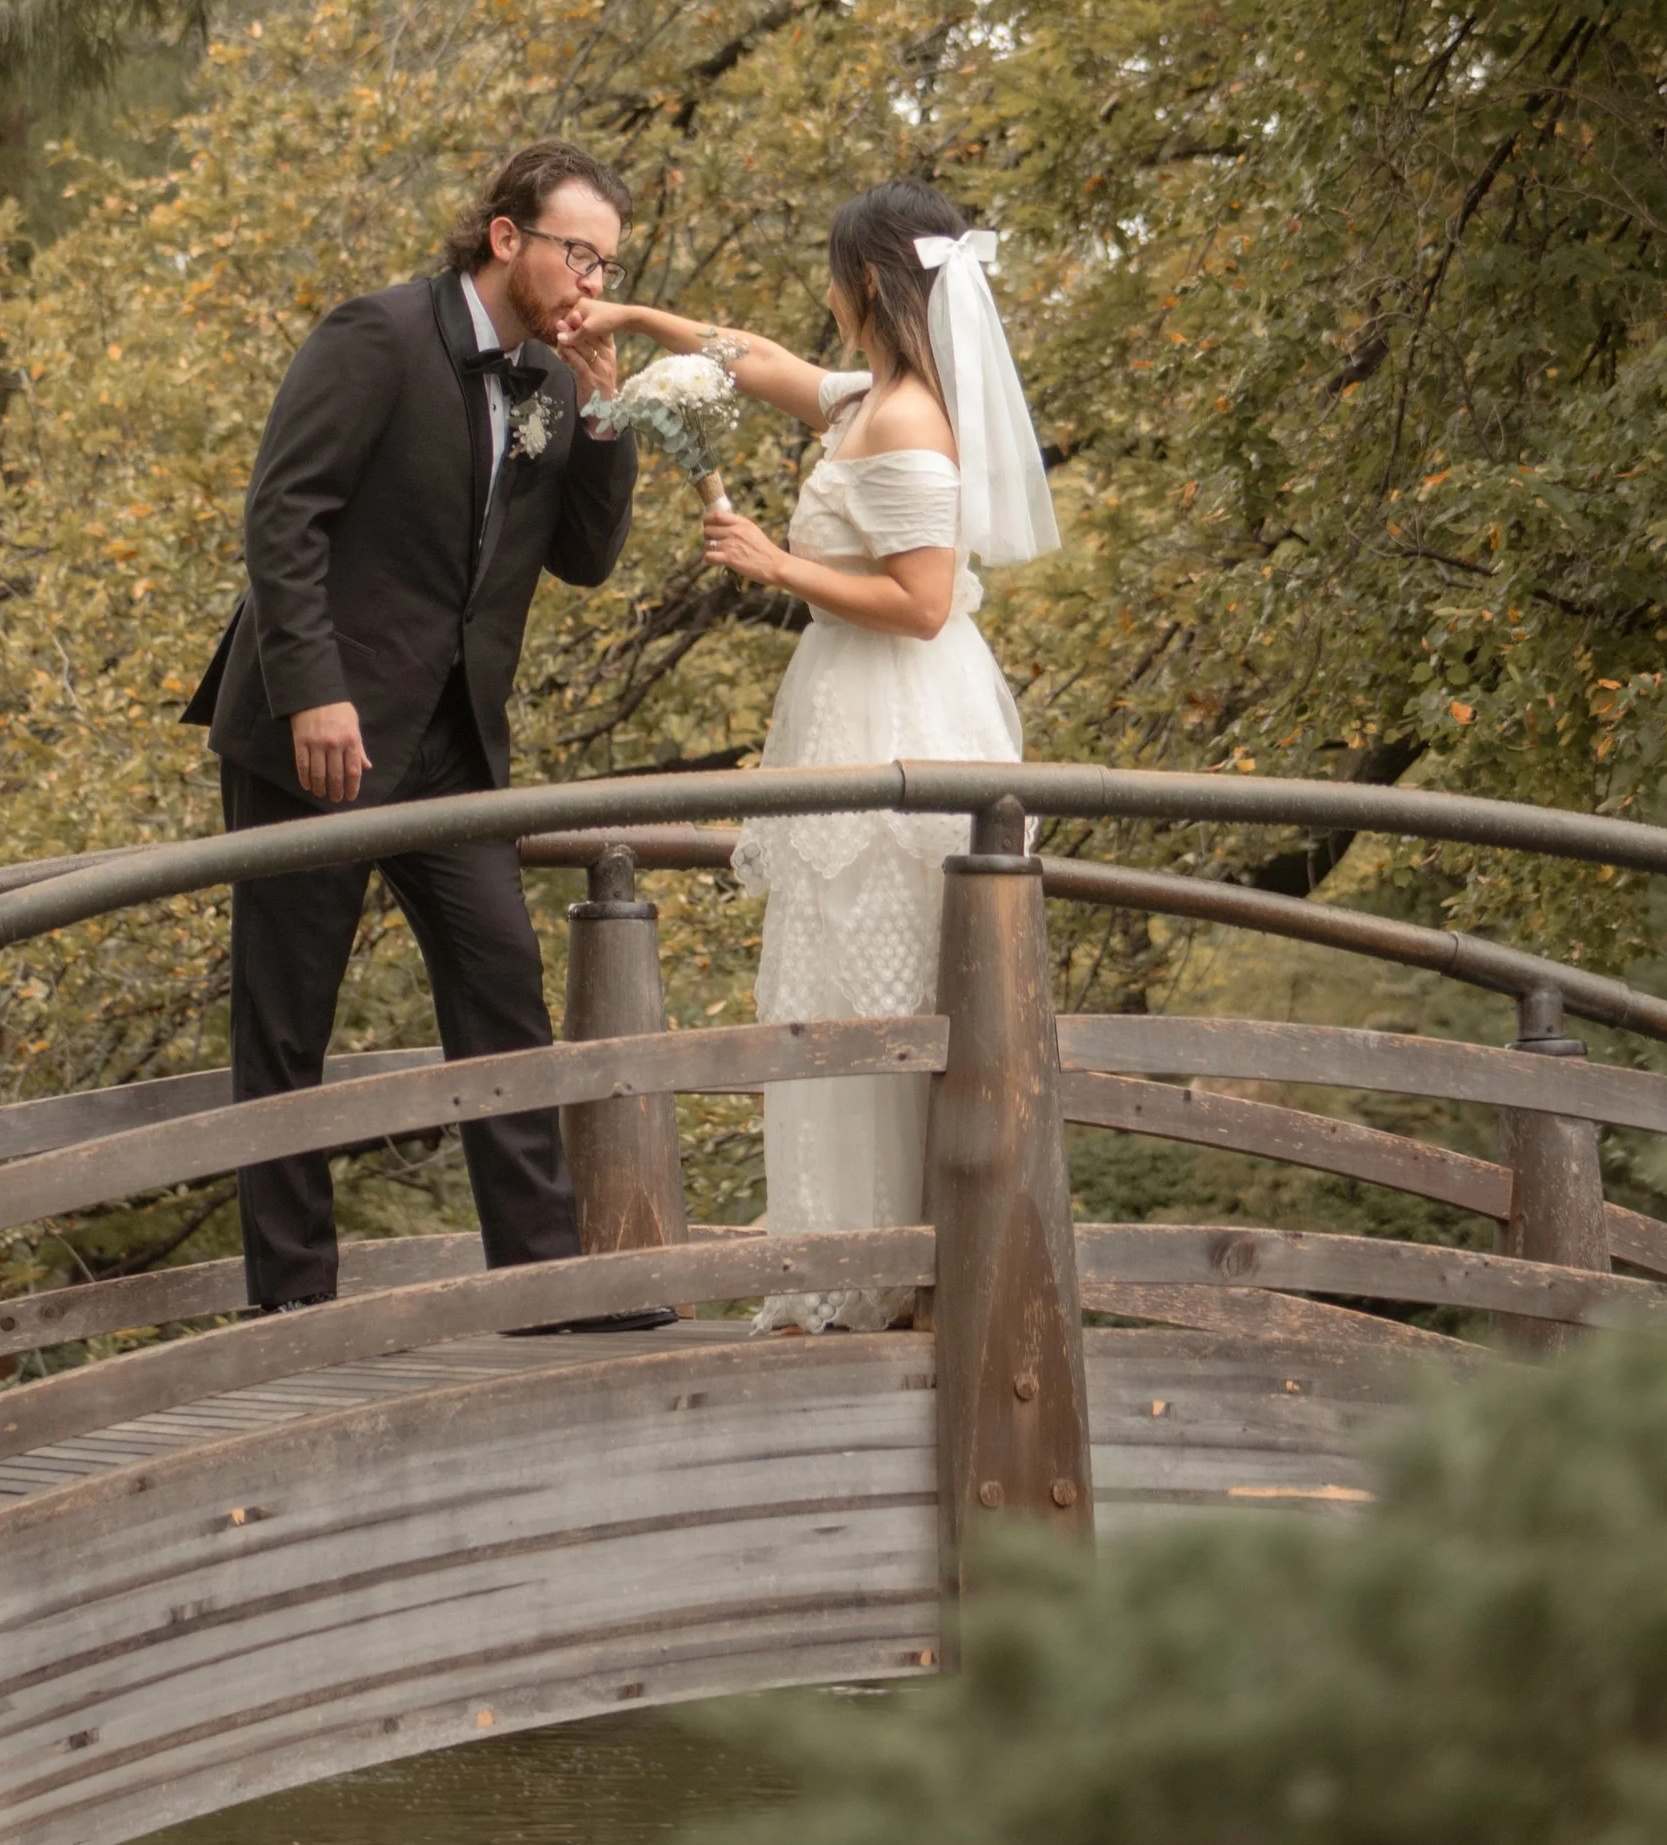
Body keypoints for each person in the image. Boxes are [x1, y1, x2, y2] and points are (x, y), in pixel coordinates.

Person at [577, 181, 1060, 1327]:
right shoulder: (865, 398)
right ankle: (853, 1258)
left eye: (834, 274)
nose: (823, 294)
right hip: (849, 705)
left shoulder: (905, 424)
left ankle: (899, 1275)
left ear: (871, 285)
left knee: (881, 977)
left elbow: (926, 602)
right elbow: (748, 361)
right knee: (835, 973)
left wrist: (772, 564)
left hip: (901, 723)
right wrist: (637, 324)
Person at [184, 139, 647, 1313]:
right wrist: (312, 691)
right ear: (508, 240)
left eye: (606, 261)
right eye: (578, 255)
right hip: (318, 735)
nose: (593, 281)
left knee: (505, 989)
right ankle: (292, 1305)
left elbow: (585, 564)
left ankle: (547, 1288)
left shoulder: (550, 384)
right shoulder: (376, 335)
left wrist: (604, 416)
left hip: (452, 748)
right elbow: (283, 516)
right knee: (288, 1019)